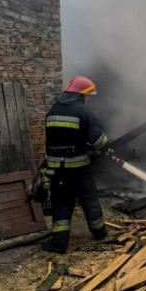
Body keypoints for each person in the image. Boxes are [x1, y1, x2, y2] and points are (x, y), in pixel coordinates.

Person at [42, 75, 110, 253]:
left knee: (62, 203)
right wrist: (103, 148)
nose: (87, 99)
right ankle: (100, 233)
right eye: (87, 96)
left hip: (57, 169)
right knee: (90, 200)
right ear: (80, 95)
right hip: (79, 168)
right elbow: (98, 141)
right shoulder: (82, 111)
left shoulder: (53, 110)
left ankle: (59, 244)